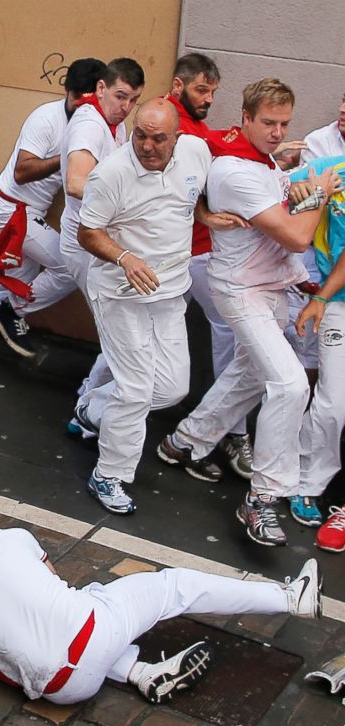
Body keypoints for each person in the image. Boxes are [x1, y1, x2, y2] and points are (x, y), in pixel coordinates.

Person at [157, 79, 340, 547]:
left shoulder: (266, 164)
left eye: (284, 124)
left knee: (251, 374)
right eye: (269, 123)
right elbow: (297, 236)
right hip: (241, 292)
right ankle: (263, 497)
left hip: (273, 287)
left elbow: (285, 212)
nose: (278, 132)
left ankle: (184, 441)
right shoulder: (237, 170)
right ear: (245, 118)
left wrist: (300, 190)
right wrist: (317, 192)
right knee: (291, 382)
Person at [0, 523, 321, 706]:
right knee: (173, 587)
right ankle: (289, 597)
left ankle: (143, 673)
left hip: (61, 690)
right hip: (93, 633)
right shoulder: (10, 537)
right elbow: (54, 576)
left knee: (71, 616)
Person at [76, 99, 242, 513]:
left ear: (177, 137)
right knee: (134, 390)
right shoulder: (110, 173)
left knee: (170, 389)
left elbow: (192, 194)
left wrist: (204, 214)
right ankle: (108, 474)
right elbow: (88, 232)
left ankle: (92, 407)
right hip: (119, 293)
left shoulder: (195, 152)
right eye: (141, 136)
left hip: (169, 291)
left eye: (158, 138)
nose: (148, 146)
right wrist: (125, 258)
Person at [0, 57, 105, 371]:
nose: (81, 108)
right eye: (76, 100)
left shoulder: (96, 123)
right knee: (69, 268)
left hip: (31, 214)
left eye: (89, 103)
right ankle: (9, 312)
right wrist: (68, 157)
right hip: (13, 211)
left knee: (13, 285)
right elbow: (22, 171)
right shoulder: (47, 118)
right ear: (66, 92)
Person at [165, 53, 255, 482]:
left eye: (214, 92)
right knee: (228, 330)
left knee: (145, 333)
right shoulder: (171, 125)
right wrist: (204, 215)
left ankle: (88, 407)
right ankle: (225, 431)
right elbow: (171, 183)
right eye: (203, 90)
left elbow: (212, 145)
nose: (209, 98)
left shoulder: (191, 125)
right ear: (179, 86)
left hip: (185, 253)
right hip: (182, 252)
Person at [56, 58, 145, 438]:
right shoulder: (90, 124)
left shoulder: (114, 122)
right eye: (120, 96)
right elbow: (76, 182)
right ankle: (89, 407)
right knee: (120, 333)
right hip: (84, 244)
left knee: (120, 332)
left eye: (133, 100)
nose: (125, 106)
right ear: (102, 89)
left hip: (99, 243)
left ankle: (90, 403)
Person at [286, 93, 345, 531]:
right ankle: (306, 481)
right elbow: (279, 184)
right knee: (333, 404)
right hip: (337, 302)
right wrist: (299, 188)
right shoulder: (334, 170)